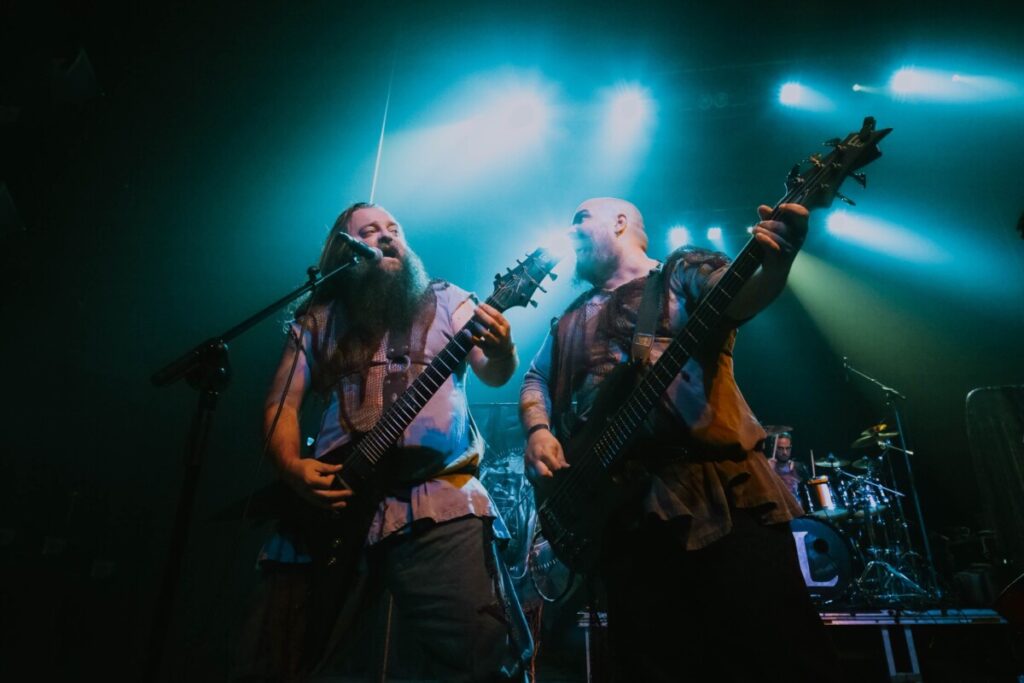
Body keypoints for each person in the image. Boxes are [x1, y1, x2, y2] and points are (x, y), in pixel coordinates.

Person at [519, 197, 836, 681]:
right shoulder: (568, 317)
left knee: (775, 654)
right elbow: (535, 379)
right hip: (625, 517)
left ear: (620, 223)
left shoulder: (680, 271)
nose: (572, 231)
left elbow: (741, 295)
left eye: (580, 218)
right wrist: (539, 432)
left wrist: (780, 259)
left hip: (719, 497)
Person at [235, 202, 531, 682]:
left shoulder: (450, 298)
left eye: (394, 229)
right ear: (344, 251)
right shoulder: (319, 319)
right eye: (369, 232)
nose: (387, 236)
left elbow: (494, 374)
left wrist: (504, 349)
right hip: (337, 499)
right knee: (302, 657)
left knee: (476, 651)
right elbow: (279, 406)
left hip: (438, 501)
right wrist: (291, 466)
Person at [766, 430, 808, 506]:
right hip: (778, 513)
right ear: (773, 448)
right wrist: (769, 472)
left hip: (798, 512)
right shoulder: (765, 467)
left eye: (787, 448)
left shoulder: (798, 467)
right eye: (780, 448)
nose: (785, 452)